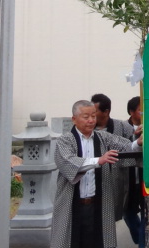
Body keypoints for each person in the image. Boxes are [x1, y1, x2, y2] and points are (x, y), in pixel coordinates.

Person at [51, 100, 141, 248]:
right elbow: (69, 163)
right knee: (71, 242)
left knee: (99, 242)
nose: (91, 120)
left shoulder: (103, 137)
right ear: (74, 119)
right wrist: (99, 160)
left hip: (99, 202)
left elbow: (126, 147)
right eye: (86, 117)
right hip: (72, 204)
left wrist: (138, 142)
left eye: (93, 116)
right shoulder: (65, 140)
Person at [90, 93, 134, 225]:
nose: (91, 114)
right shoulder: (87, 128)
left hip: (117, 177)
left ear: (106, 111)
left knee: (113, 215)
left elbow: (131, 147)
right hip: (93, 176)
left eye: (95, 111)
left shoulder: (123, 127)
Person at [124, 96, 144, 248]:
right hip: (128, 177)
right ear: (131, 112)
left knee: (146, 210)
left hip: (144, 176)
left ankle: (143, 240)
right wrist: (135, 137)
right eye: (140, 110)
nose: (143, 113)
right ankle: (139, 237)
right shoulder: (122, 127)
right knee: (128, 211)